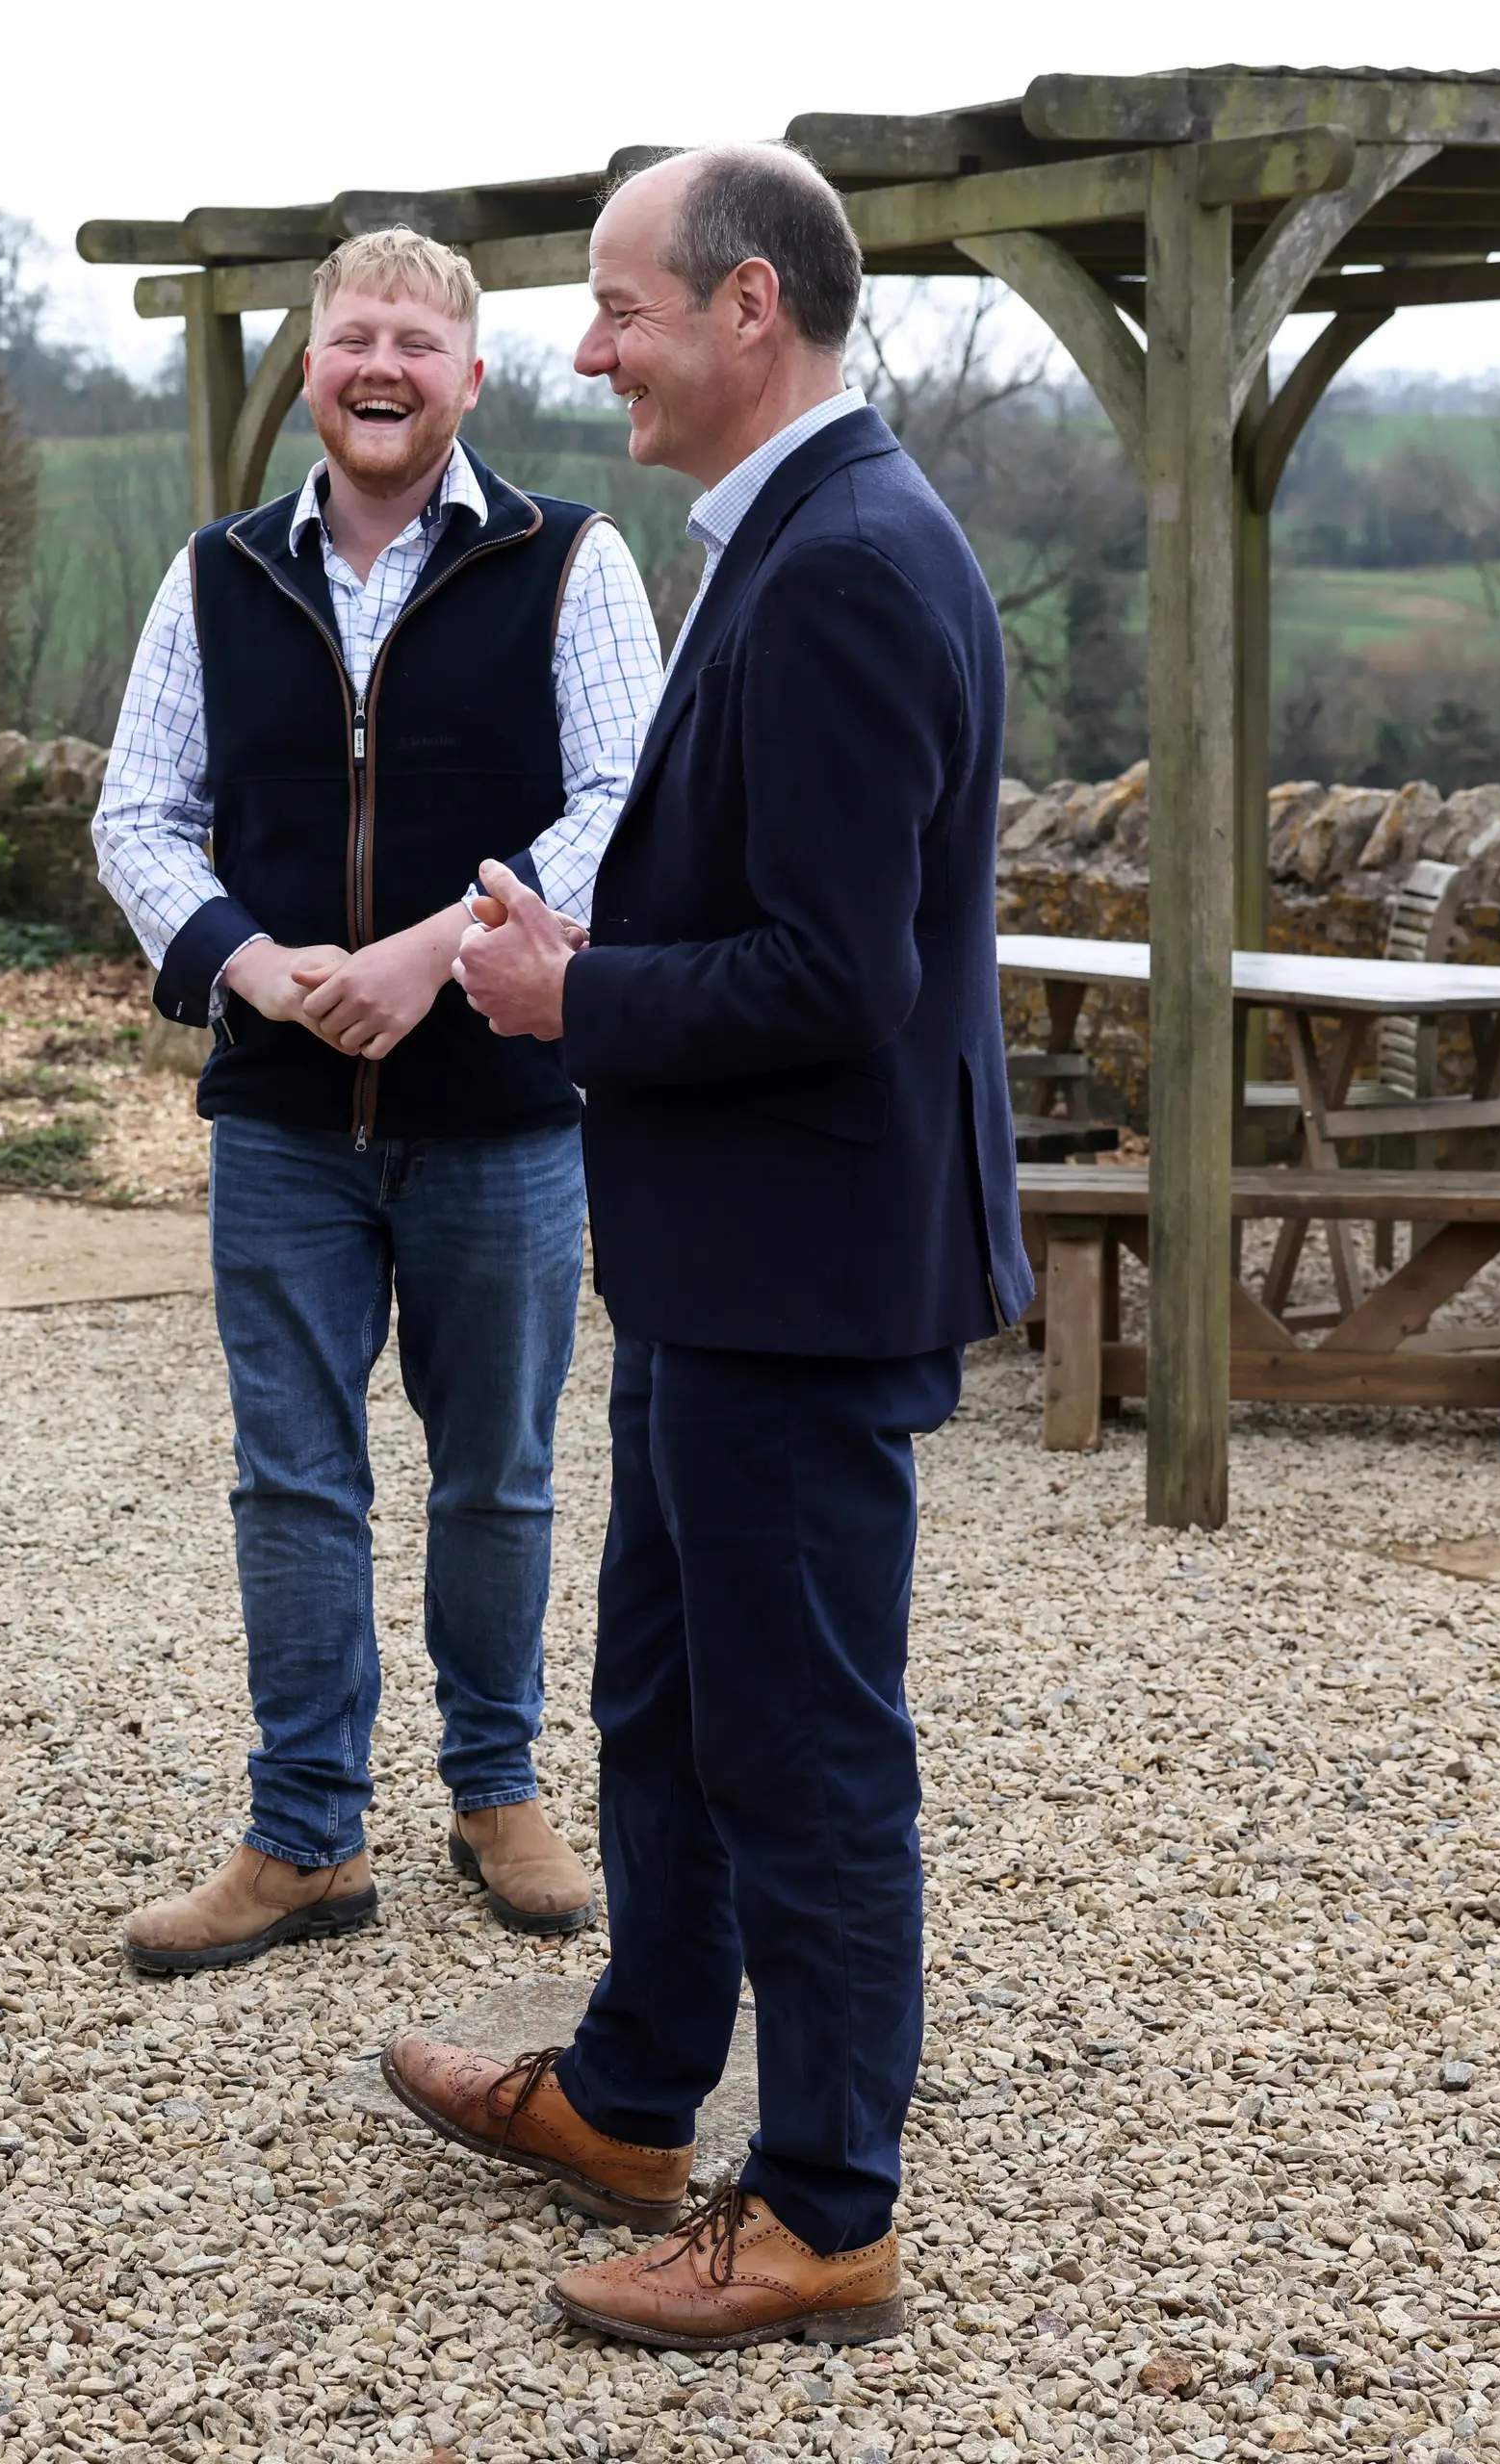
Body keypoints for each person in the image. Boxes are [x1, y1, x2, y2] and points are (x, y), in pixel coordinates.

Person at [391, 144, 1030, 2347]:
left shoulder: (849, 564)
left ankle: (828, 2202)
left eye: (620, 307)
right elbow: (785, 915)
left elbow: (843, 975)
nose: (587, 349)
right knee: (666, 1709)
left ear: (749, 307)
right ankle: (641, 2090)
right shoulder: (795, 540)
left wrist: (578, 997)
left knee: (809, 1745)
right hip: (719, 1258)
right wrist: (598, 943)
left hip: (798, 1268)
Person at [90, 229, 660, 1976]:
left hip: (502, 1113)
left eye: (418, 340)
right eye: (354, 339)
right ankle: (303, 1833)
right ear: (316, 365)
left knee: (496, 1472)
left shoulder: (575, 562)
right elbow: (137, 818)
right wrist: (261, 971)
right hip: (279, 1122)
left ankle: (498, 1792)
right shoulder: (217, 575)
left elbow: (624, 801)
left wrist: (428, 950)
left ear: (471, 377)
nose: (383, 367)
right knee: (292, 1478)